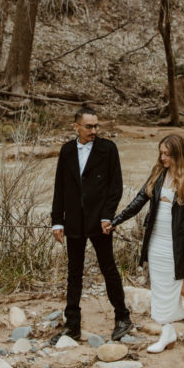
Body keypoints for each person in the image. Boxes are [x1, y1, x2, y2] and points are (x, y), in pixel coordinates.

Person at [105, 134, 184, 352]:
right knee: (160, 285)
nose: (163, 157)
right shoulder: (157, 174)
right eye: (161, 153)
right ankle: (167, 332)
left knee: (180, 285)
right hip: (155, 239)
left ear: (178, 155)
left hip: (177, 242)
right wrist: (115, 221)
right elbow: (138, 201)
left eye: (168, 154)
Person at [50, 108, 132, 343]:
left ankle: (123, 318)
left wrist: (109, 217)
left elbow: (116, 187)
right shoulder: (66, 151)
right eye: (89, 126)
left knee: (109, 269)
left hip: (101, 221)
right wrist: (57, 220)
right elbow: (60, 187)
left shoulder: (108, 149)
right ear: (76, 127)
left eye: (97, 126)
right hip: (73, 221)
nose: (94, 130)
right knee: (74, 273)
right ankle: (72, 325)